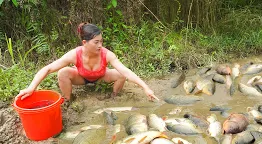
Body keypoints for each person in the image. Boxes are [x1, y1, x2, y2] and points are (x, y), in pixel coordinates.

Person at [15, 22, 159, 103]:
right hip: (81, 78)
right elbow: (47, 69)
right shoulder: (74, 54)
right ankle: (68, 101)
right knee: (62, 72)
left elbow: (126, 71)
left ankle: (114, 97)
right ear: (85, 42)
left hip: (101, 77)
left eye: (101, 41)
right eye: (96, 42)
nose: (100, 45)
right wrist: (31, 87)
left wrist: (145, 88)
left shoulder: (107, 54)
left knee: (120, 74)